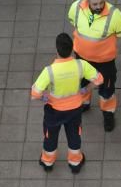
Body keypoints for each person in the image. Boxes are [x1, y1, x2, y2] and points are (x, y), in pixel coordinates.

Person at [30, 32, 103, 174]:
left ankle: (47, 162)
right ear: (72, 49)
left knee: (50, 137)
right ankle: (75, 162)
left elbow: (34, 93)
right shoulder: (80, 65)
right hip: (75, 110)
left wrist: (45, 96)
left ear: (57, 50)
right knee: (74, 136)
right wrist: (86, 89)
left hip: (54, 111)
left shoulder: (49, 71)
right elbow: (99, 79)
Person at [67, 0, 121, 131]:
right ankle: (84, 103)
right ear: (87, 1)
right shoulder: (76, 7)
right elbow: (73, 22)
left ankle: (108, 114)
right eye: (95, 4)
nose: (99, 6)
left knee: (106, 89)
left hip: (105, 62)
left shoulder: (115, 15)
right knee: (83, 83)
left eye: (101, 3)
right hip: (82, 58)